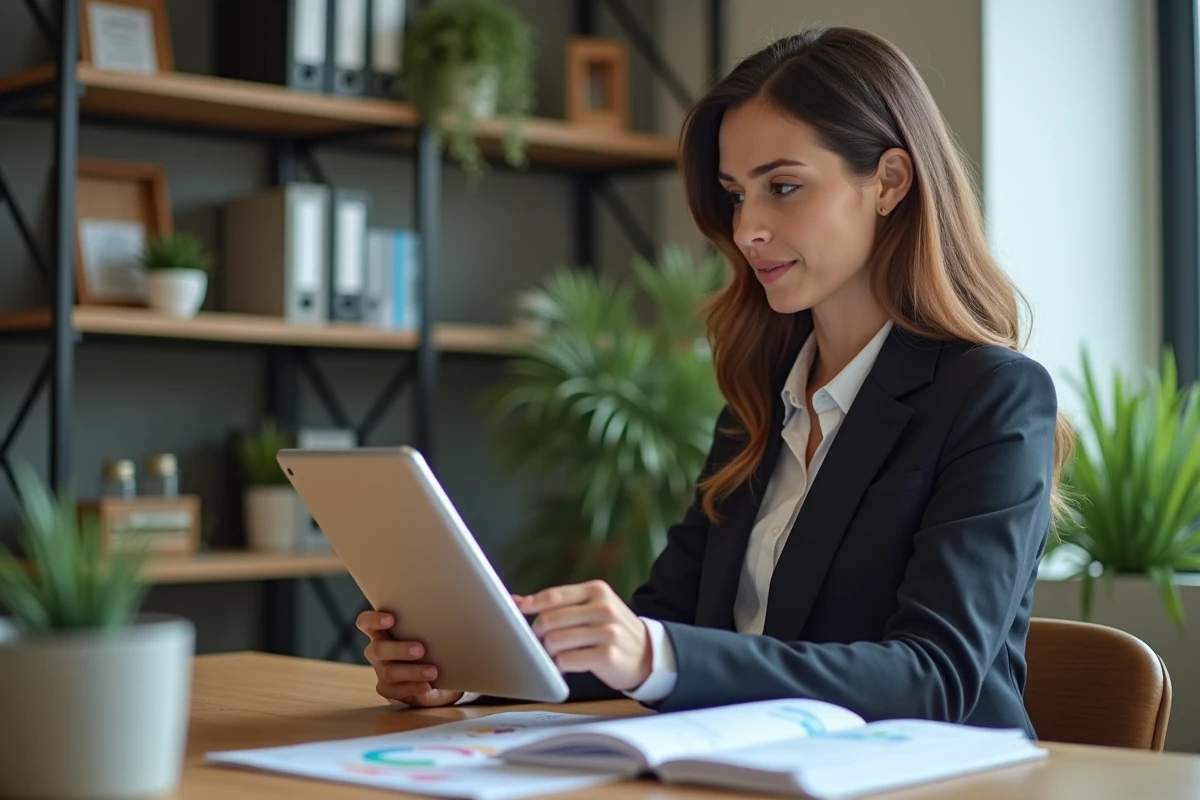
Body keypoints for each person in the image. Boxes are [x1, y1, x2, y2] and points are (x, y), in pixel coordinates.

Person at [356, 26, 1071, 736]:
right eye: (735, 195)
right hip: (751, 769)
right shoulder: (761, 399)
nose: (747, 228)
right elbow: (668, 621)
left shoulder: (993, 397)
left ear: (888, 182)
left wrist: (654, 653)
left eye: (782, 187)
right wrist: (480, 667)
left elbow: (935, 676)